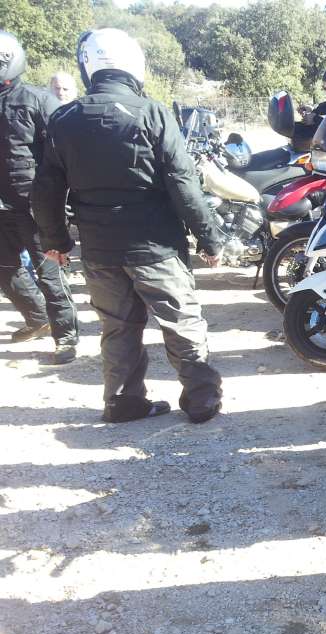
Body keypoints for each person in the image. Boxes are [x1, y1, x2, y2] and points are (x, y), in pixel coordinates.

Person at [33, 28, 225, 424]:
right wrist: (209, 238)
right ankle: (201, 399)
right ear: (133, 65)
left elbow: (46, 188)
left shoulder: (63, 119)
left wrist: (57, 241)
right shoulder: (153, 113)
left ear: (89, 67)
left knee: (117, 327)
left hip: (100, 249)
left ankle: (123, 403)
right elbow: (183, 184)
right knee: (180, 322)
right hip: (156, 247)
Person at [0, 30, 78, 363]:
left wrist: (64, 203)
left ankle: (66, 337)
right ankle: (37, 318)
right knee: (5, 270)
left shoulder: (37, 100)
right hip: (2, 208)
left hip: (34, 205)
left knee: (49, 274)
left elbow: (63, 154)